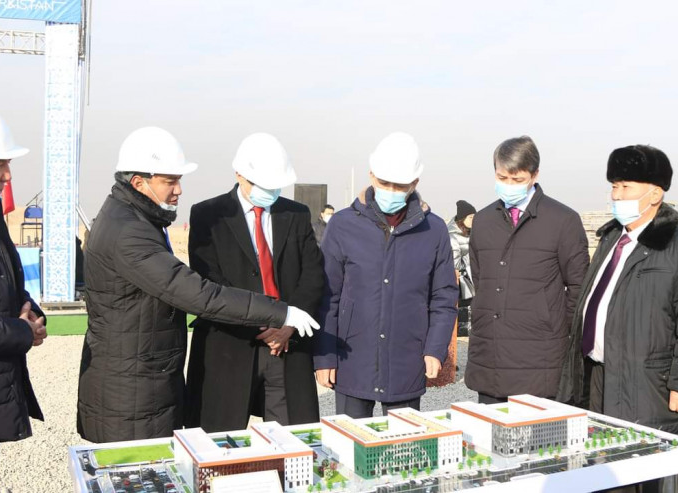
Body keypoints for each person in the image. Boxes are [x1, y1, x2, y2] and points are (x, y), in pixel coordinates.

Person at [77, 127, 319, 443]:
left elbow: (313, 273)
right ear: (139, 182)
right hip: (136, 384)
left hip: (142, 376)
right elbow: (200, 293)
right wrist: (280, 313)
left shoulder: (137, 219)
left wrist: (287, 323)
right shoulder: (131, 232)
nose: (179, 190)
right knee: (164, 460)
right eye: (170, 181)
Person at [557, 145, 678, 492]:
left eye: (626, 187)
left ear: (655, 193)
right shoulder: (611, 239)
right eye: (614, 186)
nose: (616, 195)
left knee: (640, 474)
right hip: (599, 376)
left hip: (649, 384)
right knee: (601, 471)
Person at [185, 133, 325, 431]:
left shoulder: (296, 214)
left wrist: (287, 324)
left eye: (275, 186)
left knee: (291, 439)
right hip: (231, 344)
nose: (269, 192)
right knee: (221, 441)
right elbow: (210, 281)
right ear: (239, 174)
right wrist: (263, 323)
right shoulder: (208, 215)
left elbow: (312, 274)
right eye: (262, 185)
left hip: (286, 345)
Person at [314, 132, 458, 418]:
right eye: (383, 182)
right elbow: (327, 296)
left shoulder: (434, 230)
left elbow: (443, 296)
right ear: (371, 175)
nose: (391, 190)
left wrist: (435, 348)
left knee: (403, 443)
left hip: (407, 360)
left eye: (400, 185)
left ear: (415, 183)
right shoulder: (343, 225)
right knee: (349, 441)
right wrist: (325, 355)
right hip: (351, 357)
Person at [465, 136, 589, 403]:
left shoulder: (562, 220)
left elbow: (579, 287)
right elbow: (481, 279)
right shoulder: (483, 221)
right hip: (490, 355)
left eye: (517, 179)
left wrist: (554, 326)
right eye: (502, 178)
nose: (509, 185)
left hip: (540, 357)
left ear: (535, 175)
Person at [0, 111, 47, 490]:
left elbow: (9, 281)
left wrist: (33, 314)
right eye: (0, 164)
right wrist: (22, 332)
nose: (8, 175)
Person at [447, 200, 476, 336]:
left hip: (473, 278)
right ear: (462, 218)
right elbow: (454, 264)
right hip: (461, 282)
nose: (473, 220)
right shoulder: (452, 237)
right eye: (470, 217)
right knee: (463, 310)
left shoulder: (473, 233)